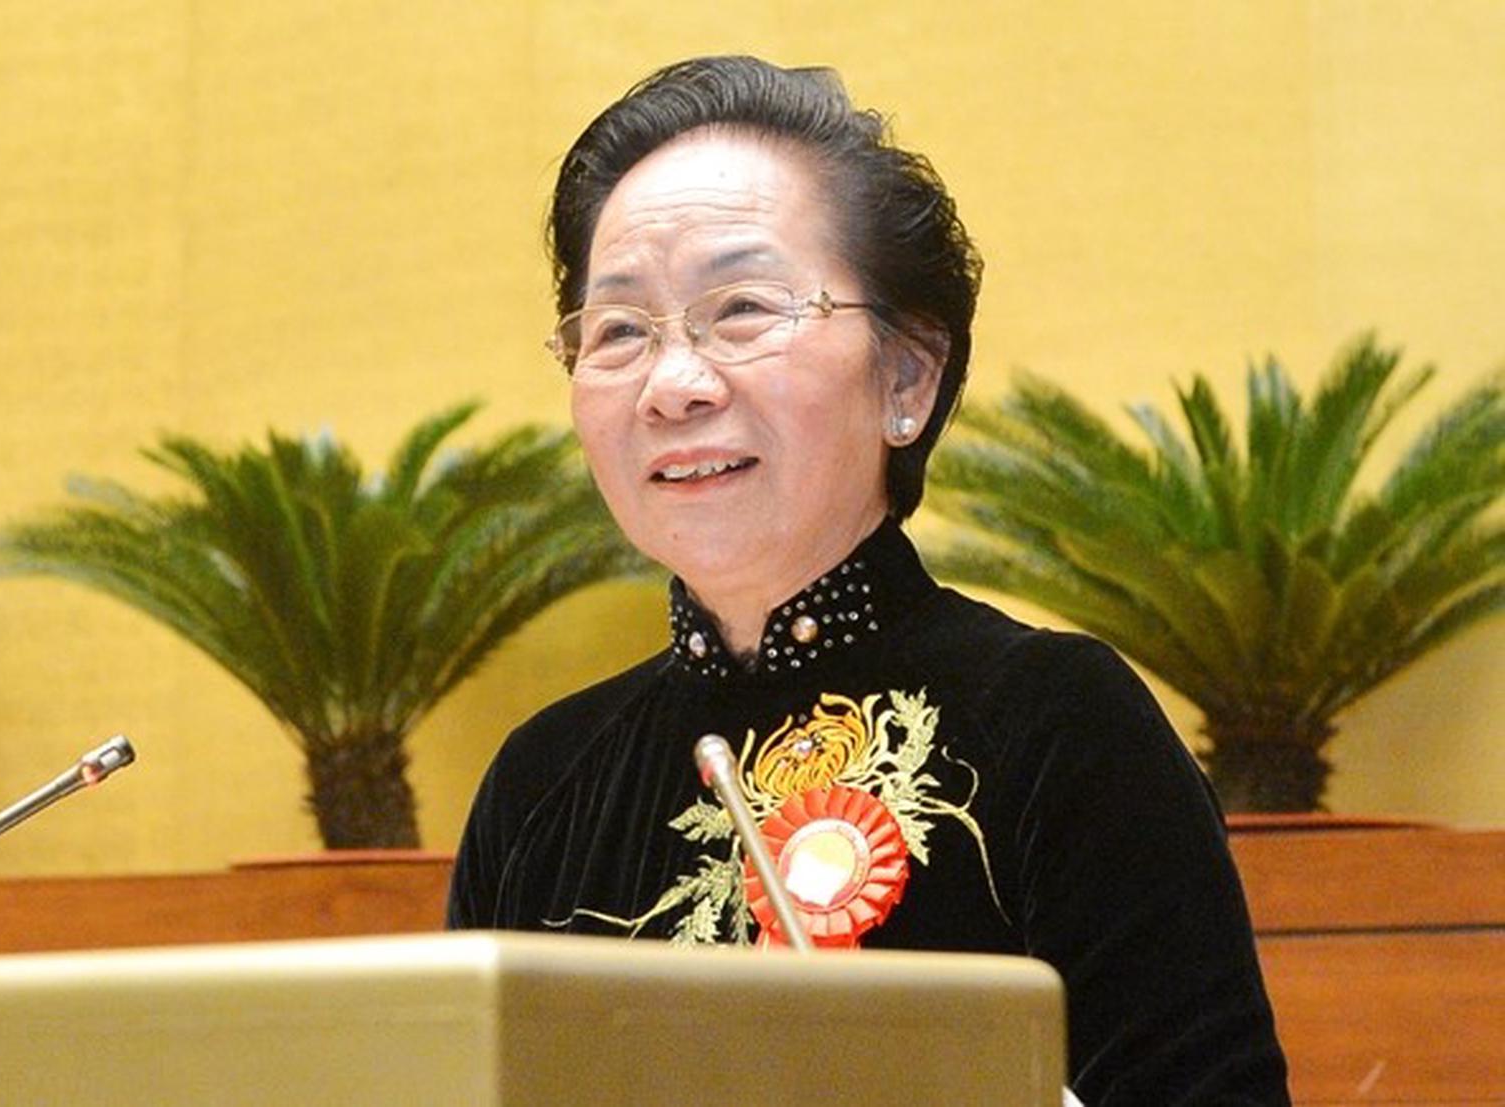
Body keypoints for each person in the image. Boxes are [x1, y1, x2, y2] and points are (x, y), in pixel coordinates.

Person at [448, 55, 1290, 1104]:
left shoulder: (1056, 724)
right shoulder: (542, 782)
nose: (673, 384)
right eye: (619, 330)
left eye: (741, 309)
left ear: (907, 377)